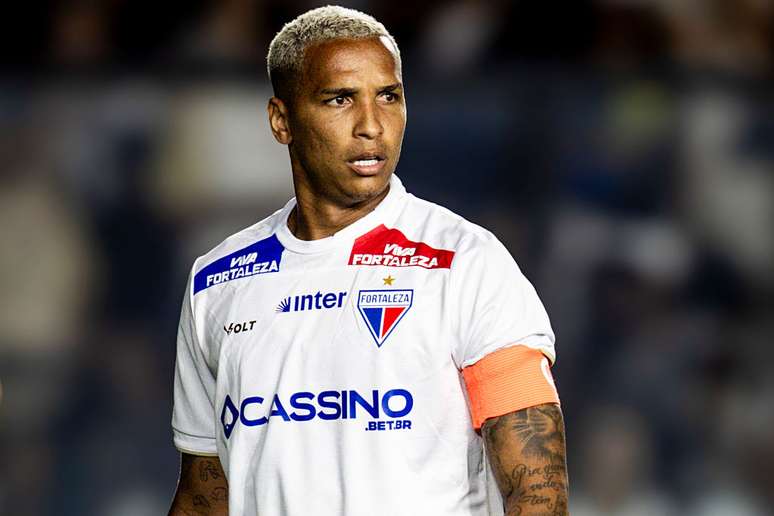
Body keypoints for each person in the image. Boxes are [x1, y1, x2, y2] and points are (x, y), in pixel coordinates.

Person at [168, 5, 568, 515]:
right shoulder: (217, 281)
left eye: (388, 96)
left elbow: (538, 493)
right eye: (340, 99)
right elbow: (205, 497)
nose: (372, 125)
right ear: (281, 120)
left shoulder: (466, 262)